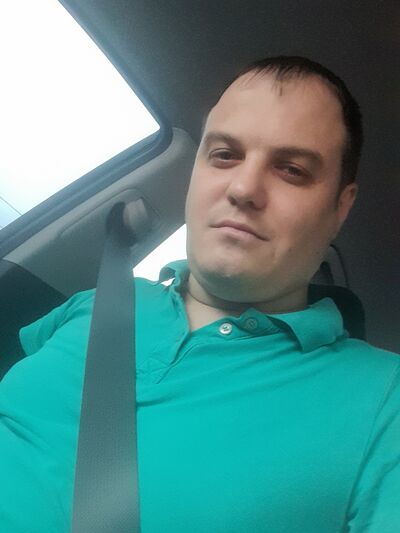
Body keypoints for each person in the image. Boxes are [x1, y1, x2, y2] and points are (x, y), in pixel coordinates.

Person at [0, 56, 399, 532]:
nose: (244, 188)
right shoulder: (95, 303)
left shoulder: (386, 402)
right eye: (225, 155)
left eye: (292, 169)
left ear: (340, 207)